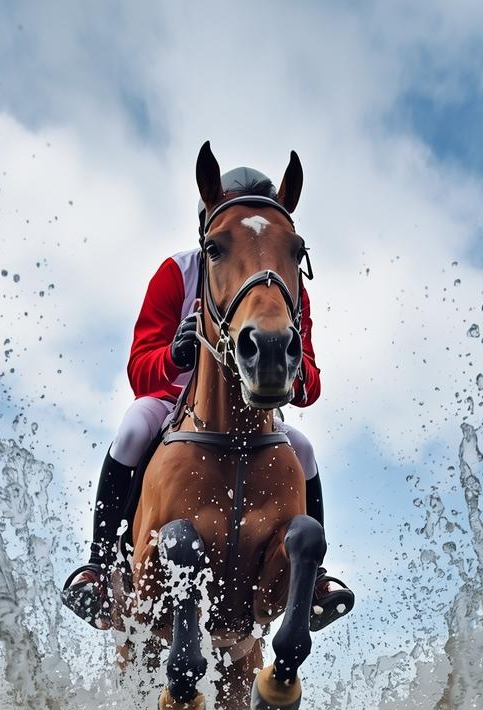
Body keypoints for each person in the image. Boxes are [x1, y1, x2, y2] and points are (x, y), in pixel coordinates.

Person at [62, 164, 354, 631]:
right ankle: (99, 567)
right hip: (174, 398)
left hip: (254, 405)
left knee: (303, 446)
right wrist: (175, 358)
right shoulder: (177, 272)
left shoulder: (283, 287)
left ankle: (315, 576)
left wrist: (295, 375)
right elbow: (140, 370)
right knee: (136, 424)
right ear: (208, 231)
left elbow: (311, 379)